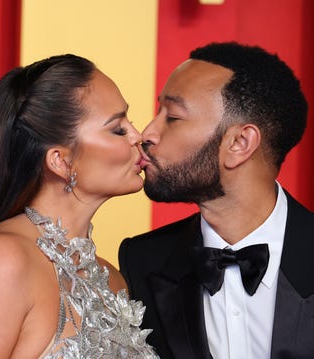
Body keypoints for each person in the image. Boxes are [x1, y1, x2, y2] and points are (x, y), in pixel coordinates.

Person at [0, 54, 159, 358]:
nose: (138, 137)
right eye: (118, 129)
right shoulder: (2, 259)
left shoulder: (112, 279)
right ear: (61, 161)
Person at [119, 42, 314, 359]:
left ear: (240, 142)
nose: (147, 134)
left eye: (174, 117)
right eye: (159, 113)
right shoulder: (140, 261)